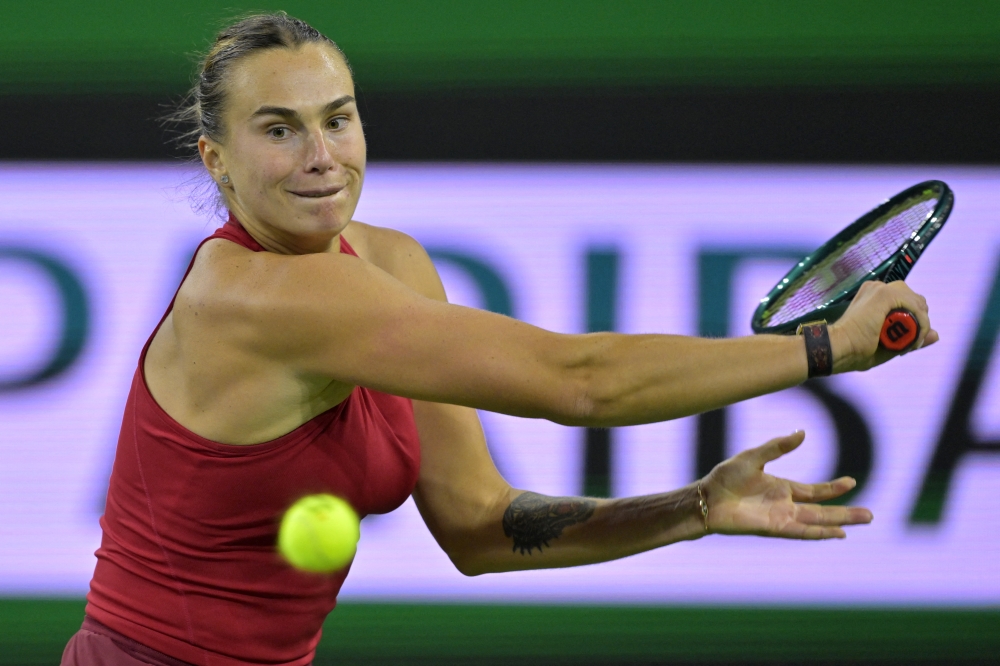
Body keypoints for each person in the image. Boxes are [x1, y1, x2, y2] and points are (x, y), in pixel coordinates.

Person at [61, 12, 936, 666]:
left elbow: (482, 526)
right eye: (279, 130)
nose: (322, 155)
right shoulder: (256, 295)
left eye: (339, 117)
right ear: (217, 159)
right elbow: (580, 381)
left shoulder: (391, 262)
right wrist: (825, 347)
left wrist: (695, 508)